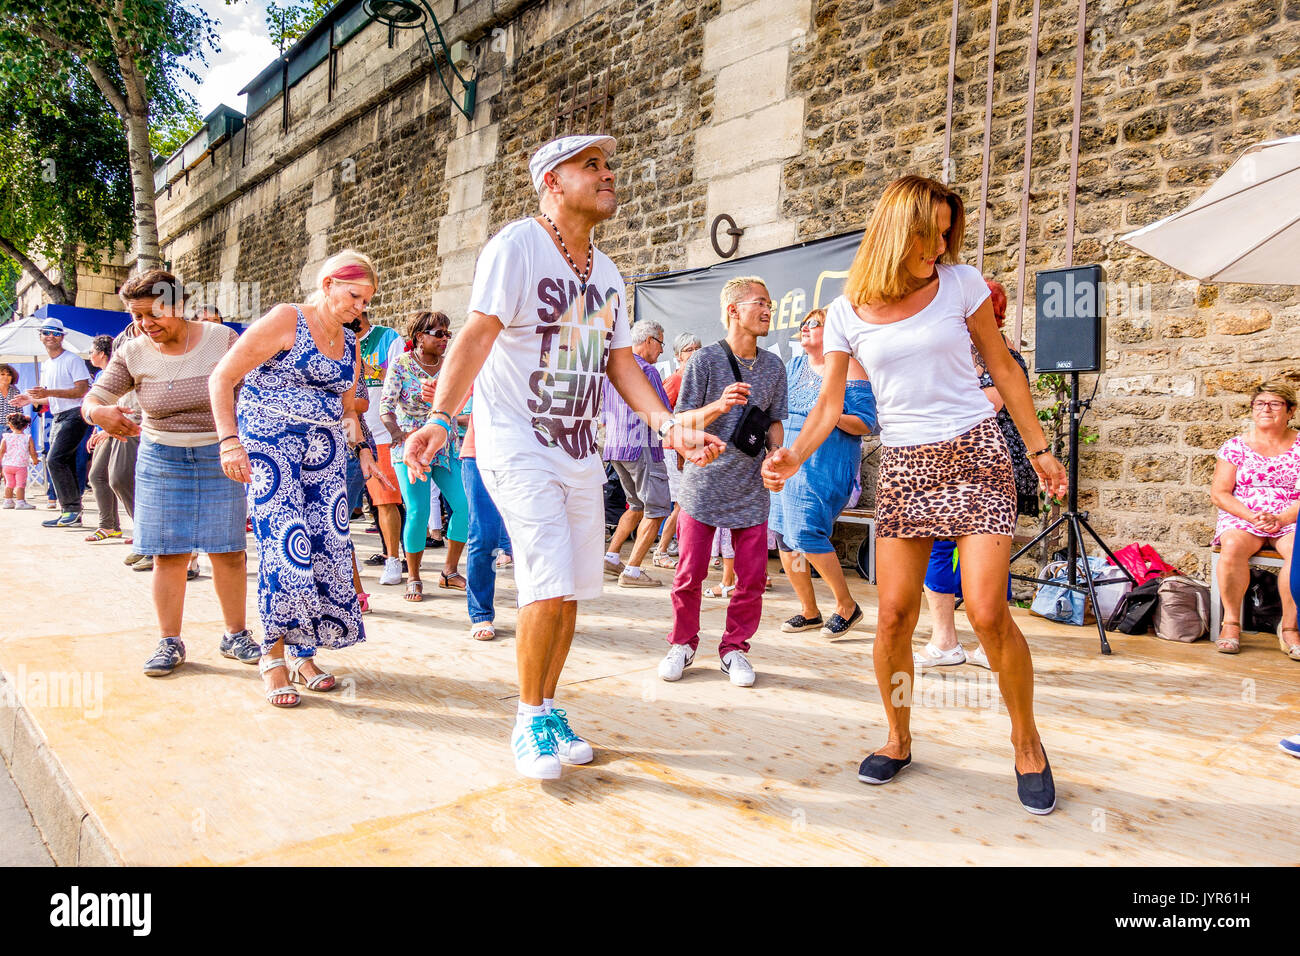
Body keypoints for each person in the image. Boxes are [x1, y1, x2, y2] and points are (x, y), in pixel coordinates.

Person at [402, 134, 724, 779]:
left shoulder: (606, 273)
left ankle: (548, 707)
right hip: (517, 441)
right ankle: (527, 720)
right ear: (552, 181)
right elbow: (477, 334)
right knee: (546, 576)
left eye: (610, 163)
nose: (608, 174)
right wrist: (441, 416)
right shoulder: (517, 246)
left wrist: (664, 422)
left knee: (570, 587)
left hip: (581, 449)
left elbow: (619, 361)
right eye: (592, 165)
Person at [763, 175, 1068, 815]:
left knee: (985, 611)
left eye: (948, 231)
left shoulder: (961, 285)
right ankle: (899, 738)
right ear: (900, 230)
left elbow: (1006, 369)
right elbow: (827, 404)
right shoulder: (846, 312)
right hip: (905, 464)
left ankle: (1026, 740)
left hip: (975, 452)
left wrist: (1040, 450)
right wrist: (792, 455)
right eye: (931, 230)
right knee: (895, 614)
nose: (942, 243)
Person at [211, 249, 385, 708]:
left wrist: (364, 451)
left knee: (326, 550)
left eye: (366, 301)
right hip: (271, 449)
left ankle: (304, 655)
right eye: (353, 296)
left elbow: (350, 408)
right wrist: (230, 441)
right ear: (327, 284)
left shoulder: (350, 343)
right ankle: (272, 658)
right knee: (284, 550)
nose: (359, 307)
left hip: (325, 456)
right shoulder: (287, 319)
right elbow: (223, 376)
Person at [82, 270, 257, 676]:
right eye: (137, 316)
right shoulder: (133, 352)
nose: (145, 324)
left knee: (228, 551)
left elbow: (253, 391)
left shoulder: (222, 340)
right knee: (168, 553)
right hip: (161, 459)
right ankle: (169, 642)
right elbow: (95, 397)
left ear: (180, 305)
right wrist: (98, 413)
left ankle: (235, 634)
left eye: (153, 313)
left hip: (221, 457)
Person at [659, 275, 788, 688]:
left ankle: (734, 650)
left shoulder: (773, 366)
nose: (768, 310)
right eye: (760, 303)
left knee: (750, 579)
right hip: (703, 484)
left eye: (770, 304)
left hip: (751, 487)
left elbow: (774, 424)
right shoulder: (704, 362)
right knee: (689, 574)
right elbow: (679, 422)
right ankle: (682, 643)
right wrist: (720, 404)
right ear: (734, 310)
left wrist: (776, 457)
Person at [916, 278, 1037, 668]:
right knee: (938, 546)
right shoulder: (956, 352)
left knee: (990, 553)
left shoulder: (1005, 357)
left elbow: (988, 404)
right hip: (947, 464)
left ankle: (989, 644)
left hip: (993, 467)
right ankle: (945, 640)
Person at [771, 308, 876, 637]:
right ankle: (809, 610)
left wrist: (829, 415)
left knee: (805, 533)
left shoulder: (850, 367)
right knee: (785, 539)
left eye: (814, 324)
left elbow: (866, 421)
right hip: (788, 462)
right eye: (803, 324)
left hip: (824, 463)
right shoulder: (795, 365)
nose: (805, 328)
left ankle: (847, 606)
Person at [379, 310, 469, 602]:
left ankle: (449, 571)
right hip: (411, 448)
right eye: (438, 334)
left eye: (448, 334)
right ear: (419, 336)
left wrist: (451, 411)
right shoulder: (401, 365)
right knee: (417, 511)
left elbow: (464, 410)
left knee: (464, 507)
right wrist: (397, 435)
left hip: (446, 445)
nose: (445, 339)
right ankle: (414, 577)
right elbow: (386, 406)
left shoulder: (452, 366)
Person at [1210, 380, 1300, 657]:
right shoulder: (1235, 446)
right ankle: (1231, 624)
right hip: (1245, 516)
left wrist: (1282, 518)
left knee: (1297, 552)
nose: (1266, 409)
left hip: (1290, 516)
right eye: (1260, 403)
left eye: (1274, 404)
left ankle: (1289, 628)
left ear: (1291, 410)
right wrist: (1253, 517)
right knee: (1233, 546)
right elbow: (1220, 493)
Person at [602, 319, 675, 587]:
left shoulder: (612, 370)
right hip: (642, 446)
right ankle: (632, 571)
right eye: (660, 344)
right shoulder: (647, 371)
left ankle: (611, 557)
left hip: (615, 447)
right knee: (656, 509)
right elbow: (663, 415)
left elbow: (603, 416)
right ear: (649, 341)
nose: (661, 351)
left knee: (636, 505)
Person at [26, 318, 91, 528]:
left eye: (55, 333)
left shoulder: (72, 359)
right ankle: (72, 512)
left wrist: (48, 393)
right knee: (65, 462)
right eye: (46, 332)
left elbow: (81, 390)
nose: (50, 336)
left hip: (74, 414)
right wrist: (29, 400)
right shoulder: (47, 364)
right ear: (41, 336)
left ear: (62, 337)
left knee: (55, 460)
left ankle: (71, 509)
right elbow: (52, 398)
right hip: (58, 415)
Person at [356, 309, 406, 584]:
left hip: (381, 434)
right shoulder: (334, 340)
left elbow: (401, 376)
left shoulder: (388, 338)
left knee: (386, 500)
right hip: (347, 434)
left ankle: (393, 559)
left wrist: (369, 369)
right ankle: (347, 558)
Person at [656, 332, 703, 563]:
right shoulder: (675, 380)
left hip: (692, 450)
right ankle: (661, 550)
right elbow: (659, 415)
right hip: (674, 450)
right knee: (680, 503)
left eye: (697, 348)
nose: (694, 353)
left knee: (688, 502)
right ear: (677, 356)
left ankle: (677, 546)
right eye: (689, 350)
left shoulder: (699, 377)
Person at [83, 335, 127, 542]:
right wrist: (96, 430)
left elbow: (126, 407)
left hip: (118, 432)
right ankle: (109, 526)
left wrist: (107, 431)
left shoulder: (116, 375)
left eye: (91, 352)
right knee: (100, 476)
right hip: (105, 432)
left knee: (115, 479)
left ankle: (115, 526)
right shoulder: (103, 375)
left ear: (102, 353)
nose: (89, 355)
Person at [2, 412, 37, 509]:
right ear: (25, 426)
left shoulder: (6, 437)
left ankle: (8, 502)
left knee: (9, 484)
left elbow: (1, 451)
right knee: (20, 484)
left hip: (7, 465)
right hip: (20, 466)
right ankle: (20, 502)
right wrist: (35, 460)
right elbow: (32, 451)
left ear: (10, 425)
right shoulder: (27, 437)